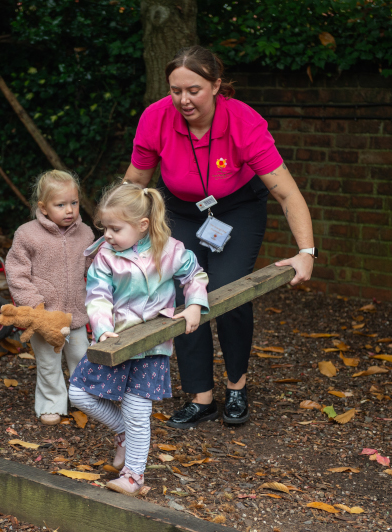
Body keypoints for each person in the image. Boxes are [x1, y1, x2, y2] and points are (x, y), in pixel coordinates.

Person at [123, 45, 315, 429]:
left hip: (236, 210)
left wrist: (306, 251)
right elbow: (135, 183)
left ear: (216, 85)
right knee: (183, 293)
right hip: (180, 210)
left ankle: (236, 387)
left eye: (193, 90)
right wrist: (111, 236)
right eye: (176, 90)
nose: (183, 99)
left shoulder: (244, 122)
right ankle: (201, 398)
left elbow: (286, 191)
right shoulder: (156, 118)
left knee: (228, 292)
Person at [68, 182, 209, 496]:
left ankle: (133, 477)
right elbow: (98, 296)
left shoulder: (170, 250)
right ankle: (122, 433)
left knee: (137, 411)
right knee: (78, 393)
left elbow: (194, 275)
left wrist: (195, 305)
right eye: (104, 227)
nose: (107, 235)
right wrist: (103, 329)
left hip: (153, 346)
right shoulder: (105, 255)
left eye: (115, 229)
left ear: (143, 225)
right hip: (115, 342)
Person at [5, 170, 95, 426]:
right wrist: (35, 306)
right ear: (43, 208)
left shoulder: (86, 234)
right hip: (44, 318)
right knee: (48, 364)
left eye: (74, 203)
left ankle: (83, 400)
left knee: (82, 358)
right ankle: (51, 403)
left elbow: (94, 268)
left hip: (76, 315)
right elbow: (17, 274)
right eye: (60, 205)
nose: (69, 210)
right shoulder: (27, 235)